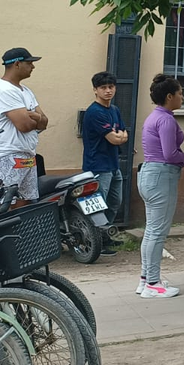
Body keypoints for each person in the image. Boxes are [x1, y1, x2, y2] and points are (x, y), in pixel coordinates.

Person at [135, 74, 184, 298]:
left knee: (151, 231)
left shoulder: (154, 117)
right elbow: (170, 154)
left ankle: (146, 279)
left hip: (150, 174)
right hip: (162, 175)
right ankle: (152, 283)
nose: (182, 97)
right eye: (179, 93)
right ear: (169, 96)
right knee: (157, 232)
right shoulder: (167, 119)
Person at [0, 47, 48, 203]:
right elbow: (24, 125)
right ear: (17, 64)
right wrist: (35, 119)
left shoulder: (26, 91)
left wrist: (36, 117)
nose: (33, 67)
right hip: (5, 156)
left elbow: (44, 122)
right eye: (29, 63)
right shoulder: (4, 90)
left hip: (27, 155)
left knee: (23, 204)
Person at [81, 70, 128, 255]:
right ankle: (94, 242)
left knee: (115, 201)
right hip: (98, 165)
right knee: (97, 205)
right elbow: (116, 139)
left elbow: (124, 133)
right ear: (95, 90)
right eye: (103, 88)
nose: (108, 91)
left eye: (111, 87)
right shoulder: (94, 112)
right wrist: (119, 137)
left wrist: (120, 136)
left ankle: (104, 236)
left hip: (113, 164)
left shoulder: (114, 110)